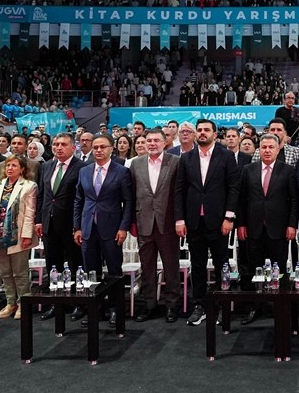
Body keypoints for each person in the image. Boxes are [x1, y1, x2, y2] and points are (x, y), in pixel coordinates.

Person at [174, 120, 240, 326]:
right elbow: (179, 190)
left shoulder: (226, 156)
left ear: (214, 134)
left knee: (222, 264)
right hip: (194, 221)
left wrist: (229, 217)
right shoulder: (186, 158)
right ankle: (200, 305)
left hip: (219, 221)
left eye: (206, 130)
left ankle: (222, 304)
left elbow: (234, 188)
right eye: (199, 130)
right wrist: (180, 219)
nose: (202, 133)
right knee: (198, 265)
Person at [235, 133, 298, 324]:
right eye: (264, 147)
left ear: (278, 148)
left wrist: (292, 225)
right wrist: (241, 224)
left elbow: (294, 201)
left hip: (279, 229)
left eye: (271, 147)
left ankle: (279, 306)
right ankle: (255, 306)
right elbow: (241, 200)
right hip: (253, 229)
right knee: (254, 270)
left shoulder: (288, 171)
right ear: (259, 149)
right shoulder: (248, 169)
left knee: (279, 270)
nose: (267, 150)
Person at [73, 135, 133, 311]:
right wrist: (76, 227)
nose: (98, 150)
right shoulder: (84, 171)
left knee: (114, 271)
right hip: (87, 228)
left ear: (111, 149)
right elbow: (78, 200)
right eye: (96, 147)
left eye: (102, 147)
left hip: (112, 228)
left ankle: (116, 309)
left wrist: (123, 227)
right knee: (91, 271)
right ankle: (95, 308)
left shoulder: (121, 171)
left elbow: (128, 202)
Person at [128, 129, 182, 323]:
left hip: (167, 223)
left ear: (164, 143)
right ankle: (149, 305)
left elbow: (179, 194)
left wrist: (179, 220)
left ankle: (172, 305)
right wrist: (132, 222)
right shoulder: (135, 164)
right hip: (143, 223)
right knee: (147, 267)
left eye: (156, 141)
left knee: (171, 267)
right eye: (148, 140)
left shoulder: (175, 162)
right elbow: (131, 195)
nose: (152, 144)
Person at [36, 133, 84, 320]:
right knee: (53, 265)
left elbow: (82, 199)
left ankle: (78, 303)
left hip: (71, 224)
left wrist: (78, 225)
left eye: (63, 144)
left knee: (76, 265)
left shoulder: (82, 168)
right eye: (56, 144)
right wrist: (39, 220)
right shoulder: (46, 166)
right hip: (49, 223)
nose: (58, 147)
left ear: (73, 148)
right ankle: (57, 303)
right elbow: (42, 195)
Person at [0, 155, 39, 320]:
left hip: (18, 234)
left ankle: (24, 303)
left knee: (19, 272)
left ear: (22, 168)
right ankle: (10, 302)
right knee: (5, 272)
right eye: (8, 165)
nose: (9, 168)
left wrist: (27, 235)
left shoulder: (29, 186)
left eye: (14, 165)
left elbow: (30, 213)